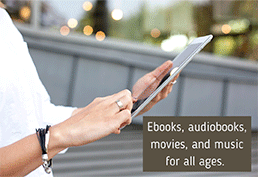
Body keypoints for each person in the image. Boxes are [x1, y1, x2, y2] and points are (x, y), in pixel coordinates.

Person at [0, 6, 179, 177]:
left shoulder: (4, 23)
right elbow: (54, 132)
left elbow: (37, 114)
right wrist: (57, 136)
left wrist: (131, 104)